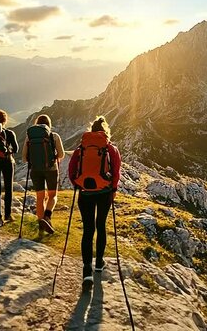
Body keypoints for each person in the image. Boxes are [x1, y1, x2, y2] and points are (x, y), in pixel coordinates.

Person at [68, 116, 121, 285]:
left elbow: (71, 171)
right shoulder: (111, 148)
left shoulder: (80, 148)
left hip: (86, 193)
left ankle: (86, 271)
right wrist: (113, 190)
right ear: (105, 132)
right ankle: (99, 263)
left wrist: (79, 184)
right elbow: (117, 172)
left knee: (88, 229)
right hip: (104, 192)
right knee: (101, 226)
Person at [22, 114, 65, 234]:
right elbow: (61, 155)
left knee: (40, 197)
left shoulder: (29, 137)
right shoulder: (54, 136)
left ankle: (41, 224)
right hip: (51, 169)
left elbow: (24, 158)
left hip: (35, 170)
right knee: (52, 196)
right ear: (49, 125)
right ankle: (47, 216)